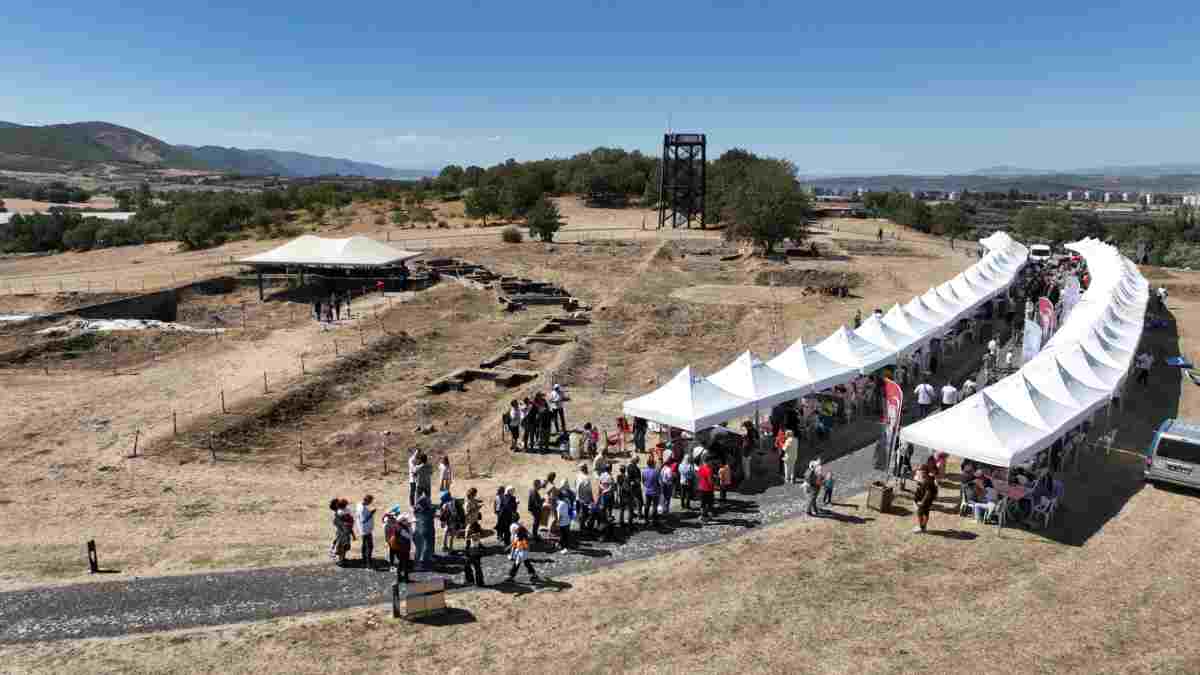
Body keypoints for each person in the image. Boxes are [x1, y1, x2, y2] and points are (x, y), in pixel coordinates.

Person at [505, 518, 540, 583]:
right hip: (523, 552)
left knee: (517, 564)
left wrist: (510, 551)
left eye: (517, 532)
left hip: (522, 552)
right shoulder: (523, 537)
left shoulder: (521, 539)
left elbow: (516, 543)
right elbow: (516, 542)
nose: (516, 532)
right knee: (526, 563)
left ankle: (511, 577)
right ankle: (533, 574)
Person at [383, 507, 411, 581]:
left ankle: (400, 577)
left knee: (401, 563)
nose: (407, 521)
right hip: (403, 548)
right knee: (404, 563)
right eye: (405, 520)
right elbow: (409, 536)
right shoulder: (401, 528)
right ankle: (405, 577)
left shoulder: (397, 526)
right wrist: (409, 528)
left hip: (401, 548)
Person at [329, 498, 355, 566]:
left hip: (344, 532)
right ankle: (341, 561)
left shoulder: (341, 513)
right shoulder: (339, 514)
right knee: (342, 547)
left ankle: (342, 559)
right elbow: (338, 523)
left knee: (343, 547)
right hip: (343, 533)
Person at [412, 495, 435, 568]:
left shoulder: (417, 510)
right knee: (424, 546)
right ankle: (421, 561)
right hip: (426, 529)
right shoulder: (429, 510)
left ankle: (424, 559)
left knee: (422, 547)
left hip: (420, 529)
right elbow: (432, 511)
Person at [912, 468, 938, 533]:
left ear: (924, 472)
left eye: (919, 473)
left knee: (920, 512)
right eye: (918, 473)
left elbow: (928, 493)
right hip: (924, 498)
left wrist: (922, 502)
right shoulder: (925, 478)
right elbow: (919, 488)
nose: (918, 474)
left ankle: (921, 527)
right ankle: (923, 526)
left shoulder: (928, 481)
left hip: (926, 500)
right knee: (925, 512)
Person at [356, 494, 376, 566]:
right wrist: (371, 513)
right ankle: (368, 563)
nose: (370, 503)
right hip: (366, 530)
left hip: (362, 529)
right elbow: (364, 520)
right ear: (367, 500)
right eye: (370, 501)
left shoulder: (359, 505)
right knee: (369, 546)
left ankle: (364, 560)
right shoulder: (362, 509)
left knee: (364, 545)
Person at [574, 464, 594, 532]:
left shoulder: (577, 476)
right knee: (584, 514)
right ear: (585, 469)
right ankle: (582, 528)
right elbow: (589, 490)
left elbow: (575, 486)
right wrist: (591, 499)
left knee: (579, 513)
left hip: (578, 498)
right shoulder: (586, 478)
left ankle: (580, 527)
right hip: (584, 499)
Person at [641, 458, 660, 525]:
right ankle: (654, 520)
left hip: (647, 491)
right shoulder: (656, 471)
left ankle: (646, 519)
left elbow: (643, 481)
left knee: (647, 505)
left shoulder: (644, 471)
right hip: (655, 491)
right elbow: (659, 482)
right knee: (655, 506)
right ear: (652, 464)